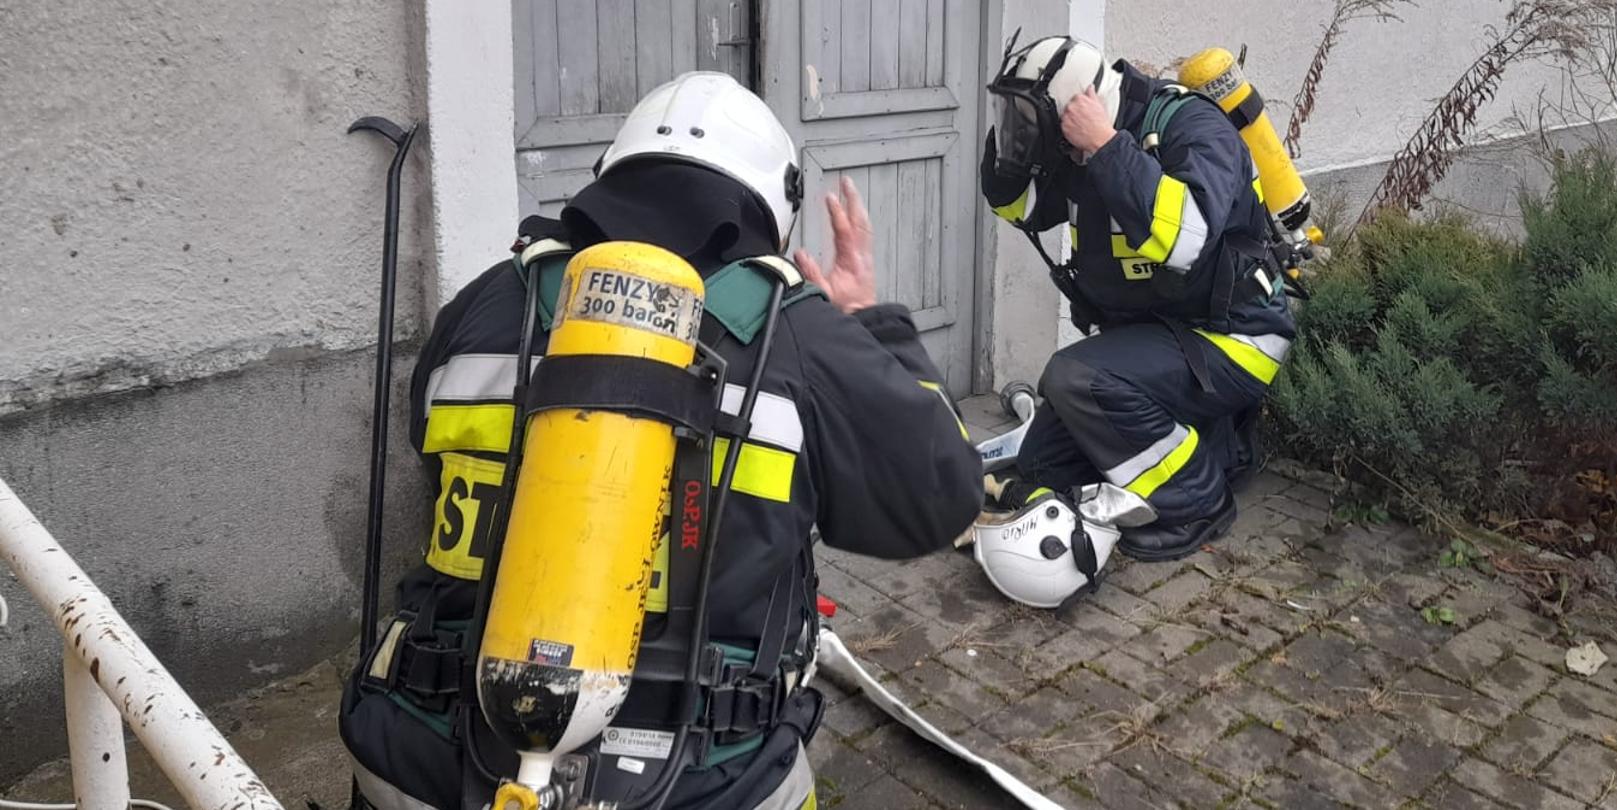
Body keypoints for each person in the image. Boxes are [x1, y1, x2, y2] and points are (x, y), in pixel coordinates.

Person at [339, 71, 983, 810]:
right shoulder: (797, 333)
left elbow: (427, 447)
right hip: (696, 778)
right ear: (772, 205)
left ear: (613, 173)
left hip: (416, 758)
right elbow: (942, 495)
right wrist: (871, 320)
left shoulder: (489, 302)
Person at [979, 36, 1295, 562]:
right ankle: (1216, 447)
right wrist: (1010, 155)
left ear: (1082, 104)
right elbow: (1025, 209)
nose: (1023, 128)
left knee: (1075, 377)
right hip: (1164, 335)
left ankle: (1198, 500)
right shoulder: (1077, 149)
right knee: (1042, 466)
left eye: (1030, 117)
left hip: (1234, 337)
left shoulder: (1193, 128)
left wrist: (1107, 148)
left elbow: (1186, 238)